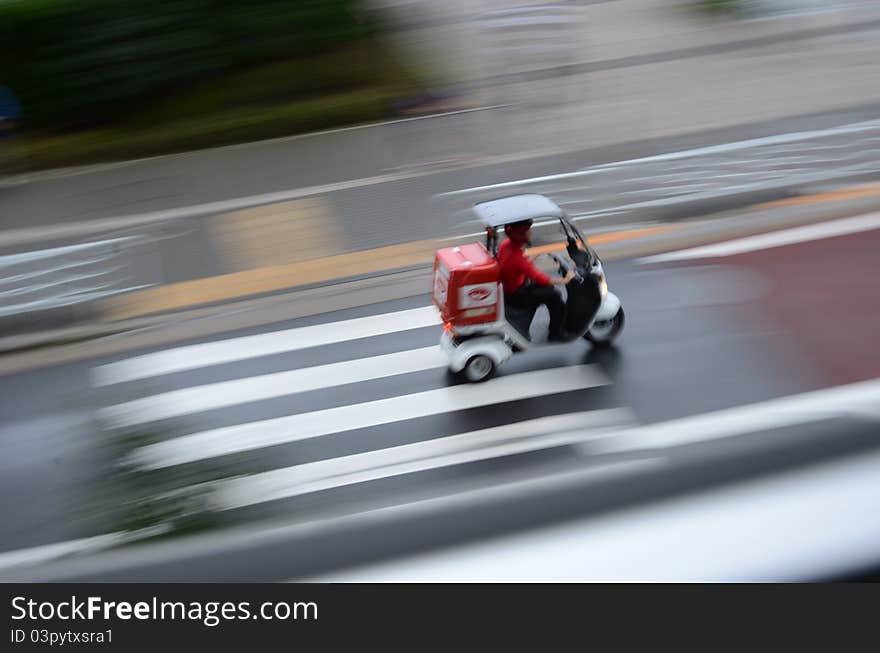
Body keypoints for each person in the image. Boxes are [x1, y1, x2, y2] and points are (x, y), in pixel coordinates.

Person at [497, 219, 575, 341]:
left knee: (548, 289)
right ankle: (556, 333)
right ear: (521, 235)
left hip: (512, 288)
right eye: (528, 231)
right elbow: (539, 277)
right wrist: (565, 280)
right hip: (518, 295)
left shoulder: (506, 244)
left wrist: (532, 258)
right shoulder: (517, 257)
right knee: (554, 295)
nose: (531, 233)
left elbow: (515, 266)